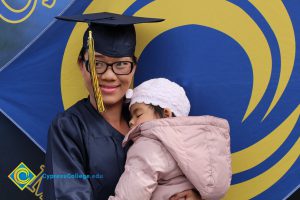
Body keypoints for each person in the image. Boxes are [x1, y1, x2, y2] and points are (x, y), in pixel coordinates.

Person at [43, 13, 202, 200]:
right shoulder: (69, 127)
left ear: (133, 68)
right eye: (97, 63)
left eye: (121, 64)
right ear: (82, 64)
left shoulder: (152, 117)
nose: (109, 76)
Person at [108, 78, 232, 200]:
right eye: (131, 116)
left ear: (166, 114)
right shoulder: (197, 144)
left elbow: (135, 187)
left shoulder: (149, 146)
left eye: (138, 114)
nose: (131, 121)